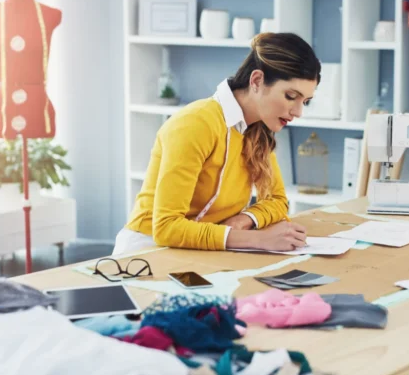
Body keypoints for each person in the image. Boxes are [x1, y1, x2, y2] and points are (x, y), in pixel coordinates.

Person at [113, 32, 320, 256]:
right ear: (257, 81)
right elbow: (166, 228)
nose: (298, 112)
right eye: (291, 96)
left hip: (204, 249)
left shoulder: (258, 130)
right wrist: (258, 239)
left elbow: (277, 200)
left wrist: (244, 219)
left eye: (305, 102)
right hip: (147, 251)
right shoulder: (196, 123)